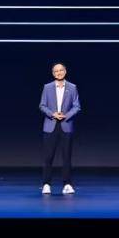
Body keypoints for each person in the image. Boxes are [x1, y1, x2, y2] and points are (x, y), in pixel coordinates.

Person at [38, 63, 80, 194]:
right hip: (50, 125)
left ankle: (67, 184)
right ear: (53, 73)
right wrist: (53, 114)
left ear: (65, 71)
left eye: (61, 70)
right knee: (48, 157)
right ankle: (46, 184)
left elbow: (77, 106)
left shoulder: (72, 87)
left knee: (66, 157)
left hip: (66, 125)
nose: (59, 73)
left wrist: (66, 116)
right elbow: (42, 105)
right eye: (56, 71)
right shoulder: (47, 87)